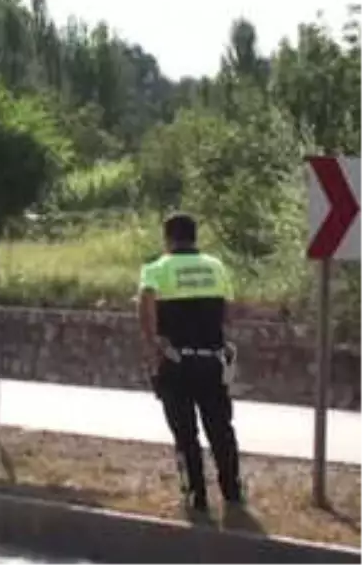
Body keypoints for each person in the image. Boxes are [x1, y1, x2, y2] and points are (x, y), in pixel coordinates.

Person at [137, 212, 244, 514]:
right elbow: (228, 314)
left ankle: (197, 495)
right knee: (221, 430)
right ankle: (233, 491)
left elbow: (146, 312)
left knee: (185, 433)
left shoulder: (156, 270)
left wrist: (154, 347)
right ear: (195, 237)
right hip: (212, 362)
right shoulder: (216, 267)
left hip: (176, 362)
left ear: (168, 238)